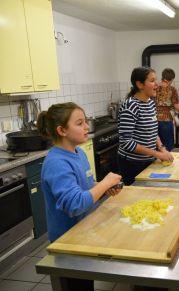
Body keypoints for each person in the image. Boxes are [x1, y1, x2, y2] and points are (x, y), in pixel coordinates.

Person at [37, 102, 122, 290]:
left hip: (84, 233)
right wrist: (106, 182)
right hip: (67, 242)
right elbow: (75, 204)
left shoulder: (79, 152)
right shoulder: (56, 163)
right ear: (62, 130)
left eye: (85, 122)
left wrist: (100, 187)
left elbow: (84, 186)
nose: (86, 127)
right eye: (79, 123)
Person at [118, 67, 174, 185]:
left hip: (147, 161)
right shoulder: (130, 106)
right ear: (140, 84)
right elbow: (126, 142)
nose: (156, 84)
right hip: (132, 164)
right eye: (152, 81)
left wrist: (162, 148)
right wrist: (157, 154)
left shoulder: (150, 103)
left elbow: (153, 132)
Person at [153, 68, 179, 151]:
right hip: (165, 120)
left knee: (156, 145)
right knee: (167, 145)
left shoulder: (154, 87)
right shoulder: (171, 89)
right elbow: (177, 107)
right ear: (171, 79)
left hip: (152, 120)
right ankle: (167, 162)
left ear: (163, 76)